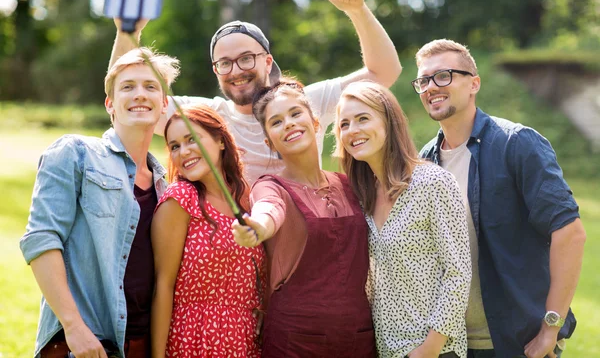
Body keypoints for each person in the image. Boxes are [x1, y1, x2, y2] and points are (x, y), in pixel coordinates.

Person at [109, 0, 402, 184]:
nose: (236, 70)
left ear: (267, 61)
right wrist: (126, 33)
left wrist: (357, 11)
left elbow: (384, 73)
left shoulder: (301, 105)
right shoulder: (206, 116)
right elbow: (123, 104)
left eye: (247, 58)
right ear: (216, 71)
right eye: (225, 63)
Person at [414, 39, 586, 358]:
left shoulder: (516, 144)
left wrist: (551, 328)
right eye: (423, 80)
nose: (430, 87)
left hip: (517, 343)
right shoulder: (424, 162)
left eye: (443, 76)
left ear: (473, 84)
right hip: (452, 345)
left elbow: (570, 234)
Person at [20, 47, 180, 357]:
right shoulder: (75, 153)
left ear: (164, 105)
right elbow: (41, 239)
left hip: (142, 344)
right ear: (110, 104)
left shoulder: (166, 186)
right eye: (127, 87)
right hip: (82, 344)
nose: (139, 95)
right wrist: (74, 327)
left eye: (150, 86)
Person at [231, 79, 376, 358]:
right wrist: (257, 227)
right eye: (276, 122)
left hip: (359, 337)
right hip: (295, 341)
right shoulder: (270, 186)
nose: (288, 123)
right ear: (268, 141)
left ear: (316, 122)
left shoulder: (350, 184)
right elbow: (268, 209)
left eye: (296, 114)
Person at [334, 81, 471, 358]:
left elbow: (458, 274)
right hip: (385, 349)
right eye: (344, 124)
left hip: (436, 351)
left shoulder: (433, 183)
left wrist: (429, 349)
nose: (352, 130)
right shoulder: (361, 195)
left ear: (389, 121)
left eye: (363, 118)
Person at [150, 105, 265, 357]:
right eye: (175, 146)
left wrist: (262, 309)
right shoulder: (181, 199)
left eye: (192, 139)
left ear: (221, 141)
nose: (184, 151)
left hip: (245, 341)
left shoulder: (249, 198)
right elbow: (163, 285)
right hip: (193, 338)